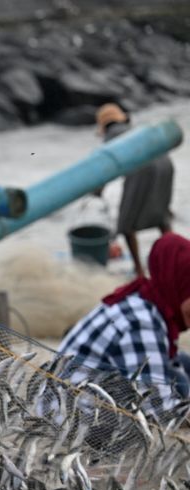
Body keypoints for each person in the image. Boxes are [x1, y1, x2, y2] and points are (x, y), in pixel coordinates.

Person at [58, 232, 190, 415]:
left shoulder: (146, 298)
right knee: (178, 384)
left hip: (87, 387)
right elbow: (161, 411)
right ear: (177, 286)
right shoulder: (142, 322)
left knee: (182, 364)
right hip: (73, 415)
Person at [95, 103, 176, 278]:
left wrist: (97, 190)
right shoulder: (134, 129)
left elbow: (107, 166)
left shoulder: (112, 135)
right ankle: (176, 261)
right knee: (163, 218)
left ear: (104, 126)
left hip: (143, 168)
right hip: (165, 164)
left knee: (125, 225)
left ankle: (139, 271)